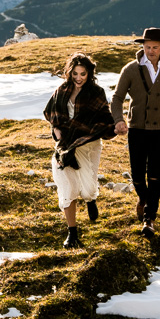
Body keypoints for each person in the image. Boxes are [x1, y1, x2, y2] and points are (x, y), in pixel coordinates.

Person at [110, 27, 160, 237]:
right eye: (147, 47)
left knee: (154, 174)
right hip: (137, 127)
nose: (151, 51)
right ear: (142, 47)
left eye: (155, 47)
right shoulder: (130, 69)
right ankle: (144, 198)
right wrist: (118, 120)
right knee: (137, 174)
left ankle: (149, 218)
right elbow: (117, 98)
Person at [43, 52, 116, 249]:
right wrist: (56, 130)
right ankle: (72, 233)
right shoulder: (62, 90)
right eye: (75, 73)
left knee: (88, 187)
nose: (78, 78)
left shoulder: (96, 93)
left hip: (89, 144)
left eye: (82, 74)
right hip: (65, 146)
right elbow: (50, 113)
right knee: (68, 187)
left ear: (89, 74)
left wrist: (114, 128)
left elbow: (105, 119)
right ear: (69, 73)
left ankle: (91, 199)